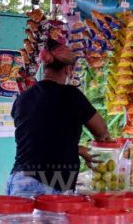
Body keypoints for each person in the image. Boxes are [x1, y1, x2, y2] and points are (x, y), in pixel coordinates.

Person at [8, 38, 111, 195]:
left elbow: (38, 138)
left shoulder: (24, 97)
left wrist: (76, 149)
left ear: (44, 66)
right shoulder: (72, 96)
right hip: (51, 184)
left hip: (20, 180)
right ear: (69, 70)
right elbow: (102, 132)